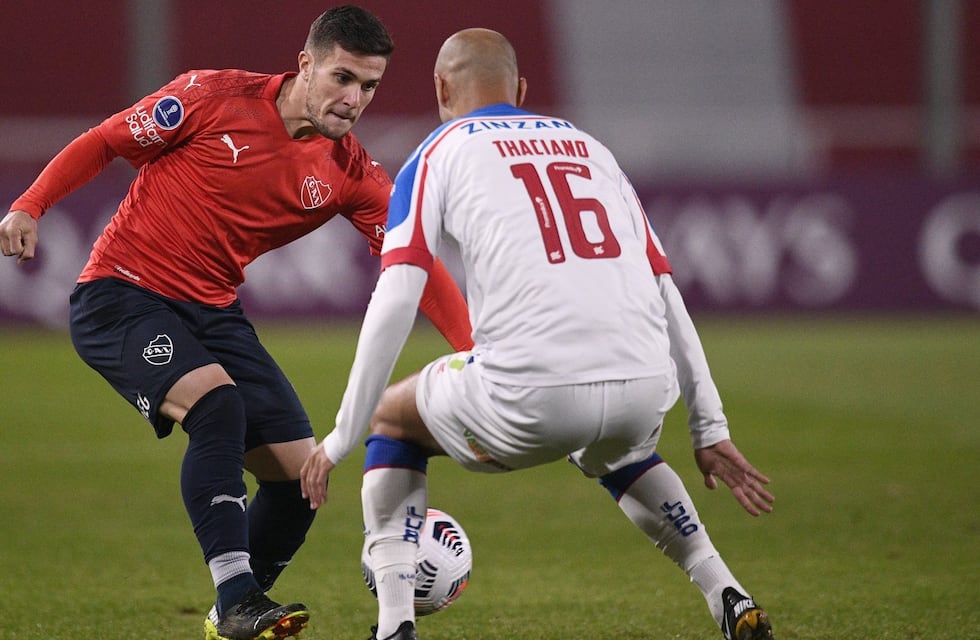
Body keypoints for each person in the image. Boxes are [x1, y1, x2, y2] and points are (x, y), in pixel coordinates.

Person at [0, 6, 473, 640]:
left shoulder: (349, 173)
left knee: (302, 476)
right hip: (120, 295)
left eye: (369, 86)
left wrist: (477, 351)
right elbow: (107, 140)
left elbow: (417, 266)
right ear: (305, 65)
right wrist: (30, 205)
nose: (353, 99)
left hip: (214, 310)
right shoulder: (210, 96)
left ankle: (237, 609)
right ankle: (237, 596)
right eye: (342, 78)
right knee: (217, 404)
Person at [300, 27, 776, 640]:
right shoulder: (591, 149)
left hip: (530, 394)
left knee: (393, 418)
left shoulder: (438, 152)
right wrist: (709, 428)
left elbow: (397, 296)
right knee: (621, 453)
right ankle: (727, 593)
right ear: (520, 90)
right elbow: (666, 292)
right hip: (642, 389)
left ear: (441, 88)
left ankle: (394, 625)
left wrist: (341, 436)